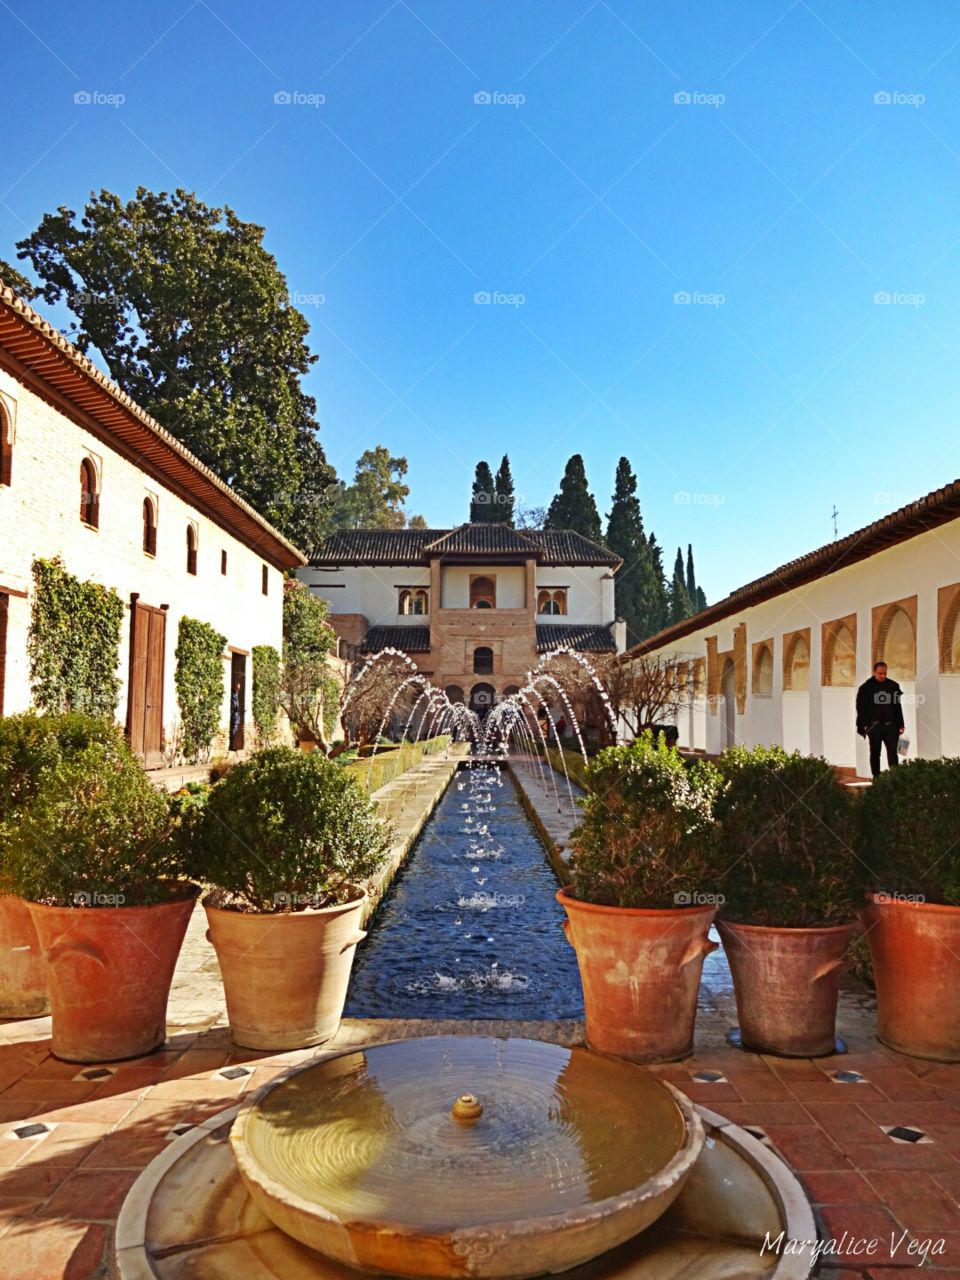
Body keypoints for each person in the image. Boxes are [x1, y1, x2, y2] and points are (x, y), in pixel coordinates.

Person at [856, 661, 905, 778]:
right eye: (880, 673)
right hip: (874, 726)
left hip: (891, 725)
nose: (883, 676)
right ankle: (876, 778)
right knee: (875, 753)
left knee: (893, 753)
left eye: (885, 673)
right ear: (874, 672)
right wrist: (865, 725)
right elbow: (860, 708)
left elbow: (898, 706)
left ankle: (895, 777)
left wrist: (901, 724)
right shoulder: (865, 687)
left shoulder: (893, 686)